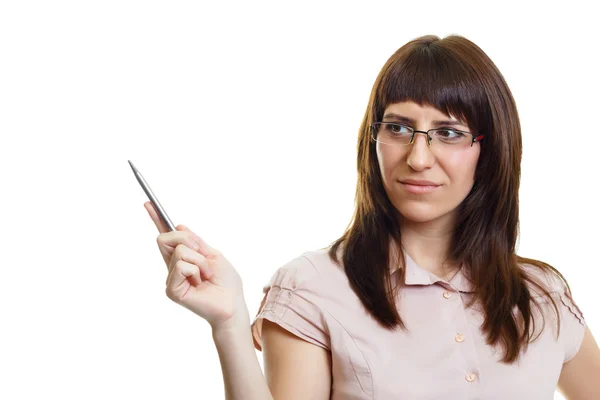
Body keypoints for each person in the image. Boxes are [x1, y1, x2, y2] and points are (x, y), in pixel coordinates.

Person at [144, 34, 600, 399]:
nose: (419, 158)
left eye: (448, 133)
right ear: (373, 139)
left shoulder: (541, 295)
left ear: (491, 149)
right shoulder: (314, 287)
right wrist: (228, 324)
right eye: (399, 128)